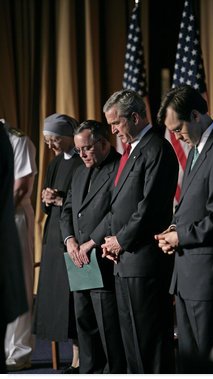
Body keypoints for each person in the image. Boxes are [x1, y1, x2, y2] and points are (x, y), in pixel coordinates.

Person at [155, 85, 213, 372]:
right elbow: (192, 207)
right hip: (189, 276)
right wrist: (173, 228)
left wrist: (179, 236)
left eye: (178, 127)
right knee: (191, 362)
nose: (175, 135)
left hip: (210, 278)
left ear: (196, 115)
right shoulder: (199, 149)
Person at [90, 89, 179, 373]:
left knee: (149, 344)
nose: (113, 131)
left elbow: (149, 208)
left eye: (116, 123)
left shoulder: (157, 149)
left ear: (136, 117)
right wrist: (109, 242)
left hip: (145, 263)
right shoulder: (131, 152)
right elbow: (118, 207)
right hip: (125, 262)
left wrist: (120, 241)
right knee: (131, 344)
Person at [60, 120, 126, 374]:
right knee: (84, 323)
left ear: (103, 142)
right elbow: (67, 211)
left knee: (108, 327)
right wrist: (70, 241)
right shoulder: (78, 171)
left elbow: (116, 213)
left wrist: (91, 242)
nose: (82, 154)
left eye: (86, 148)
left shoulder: (121, 166)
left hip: (102, 256)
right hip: (77, 258)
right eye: (78, 150)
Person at [33, 113, 82, 373]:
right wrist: (46, 197)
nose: (50, 145)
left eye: (53, 140)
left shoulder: (82, 161)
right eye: (46, 140)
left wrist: (62, 199)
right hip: (53, 240)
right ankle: (69, 357)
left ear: (66, 136)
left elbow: (85, 202)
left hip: (74, 239)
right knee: (56, 301)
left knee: (75, 301)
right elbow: (44, 206)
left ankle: (79, 356)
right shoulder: (53, 164)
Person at [1, 119, 37, 372]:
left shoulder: (16, 139)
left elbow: (21, 186)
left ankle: (18, 351)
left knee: (18, 283)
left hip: (12, 217)